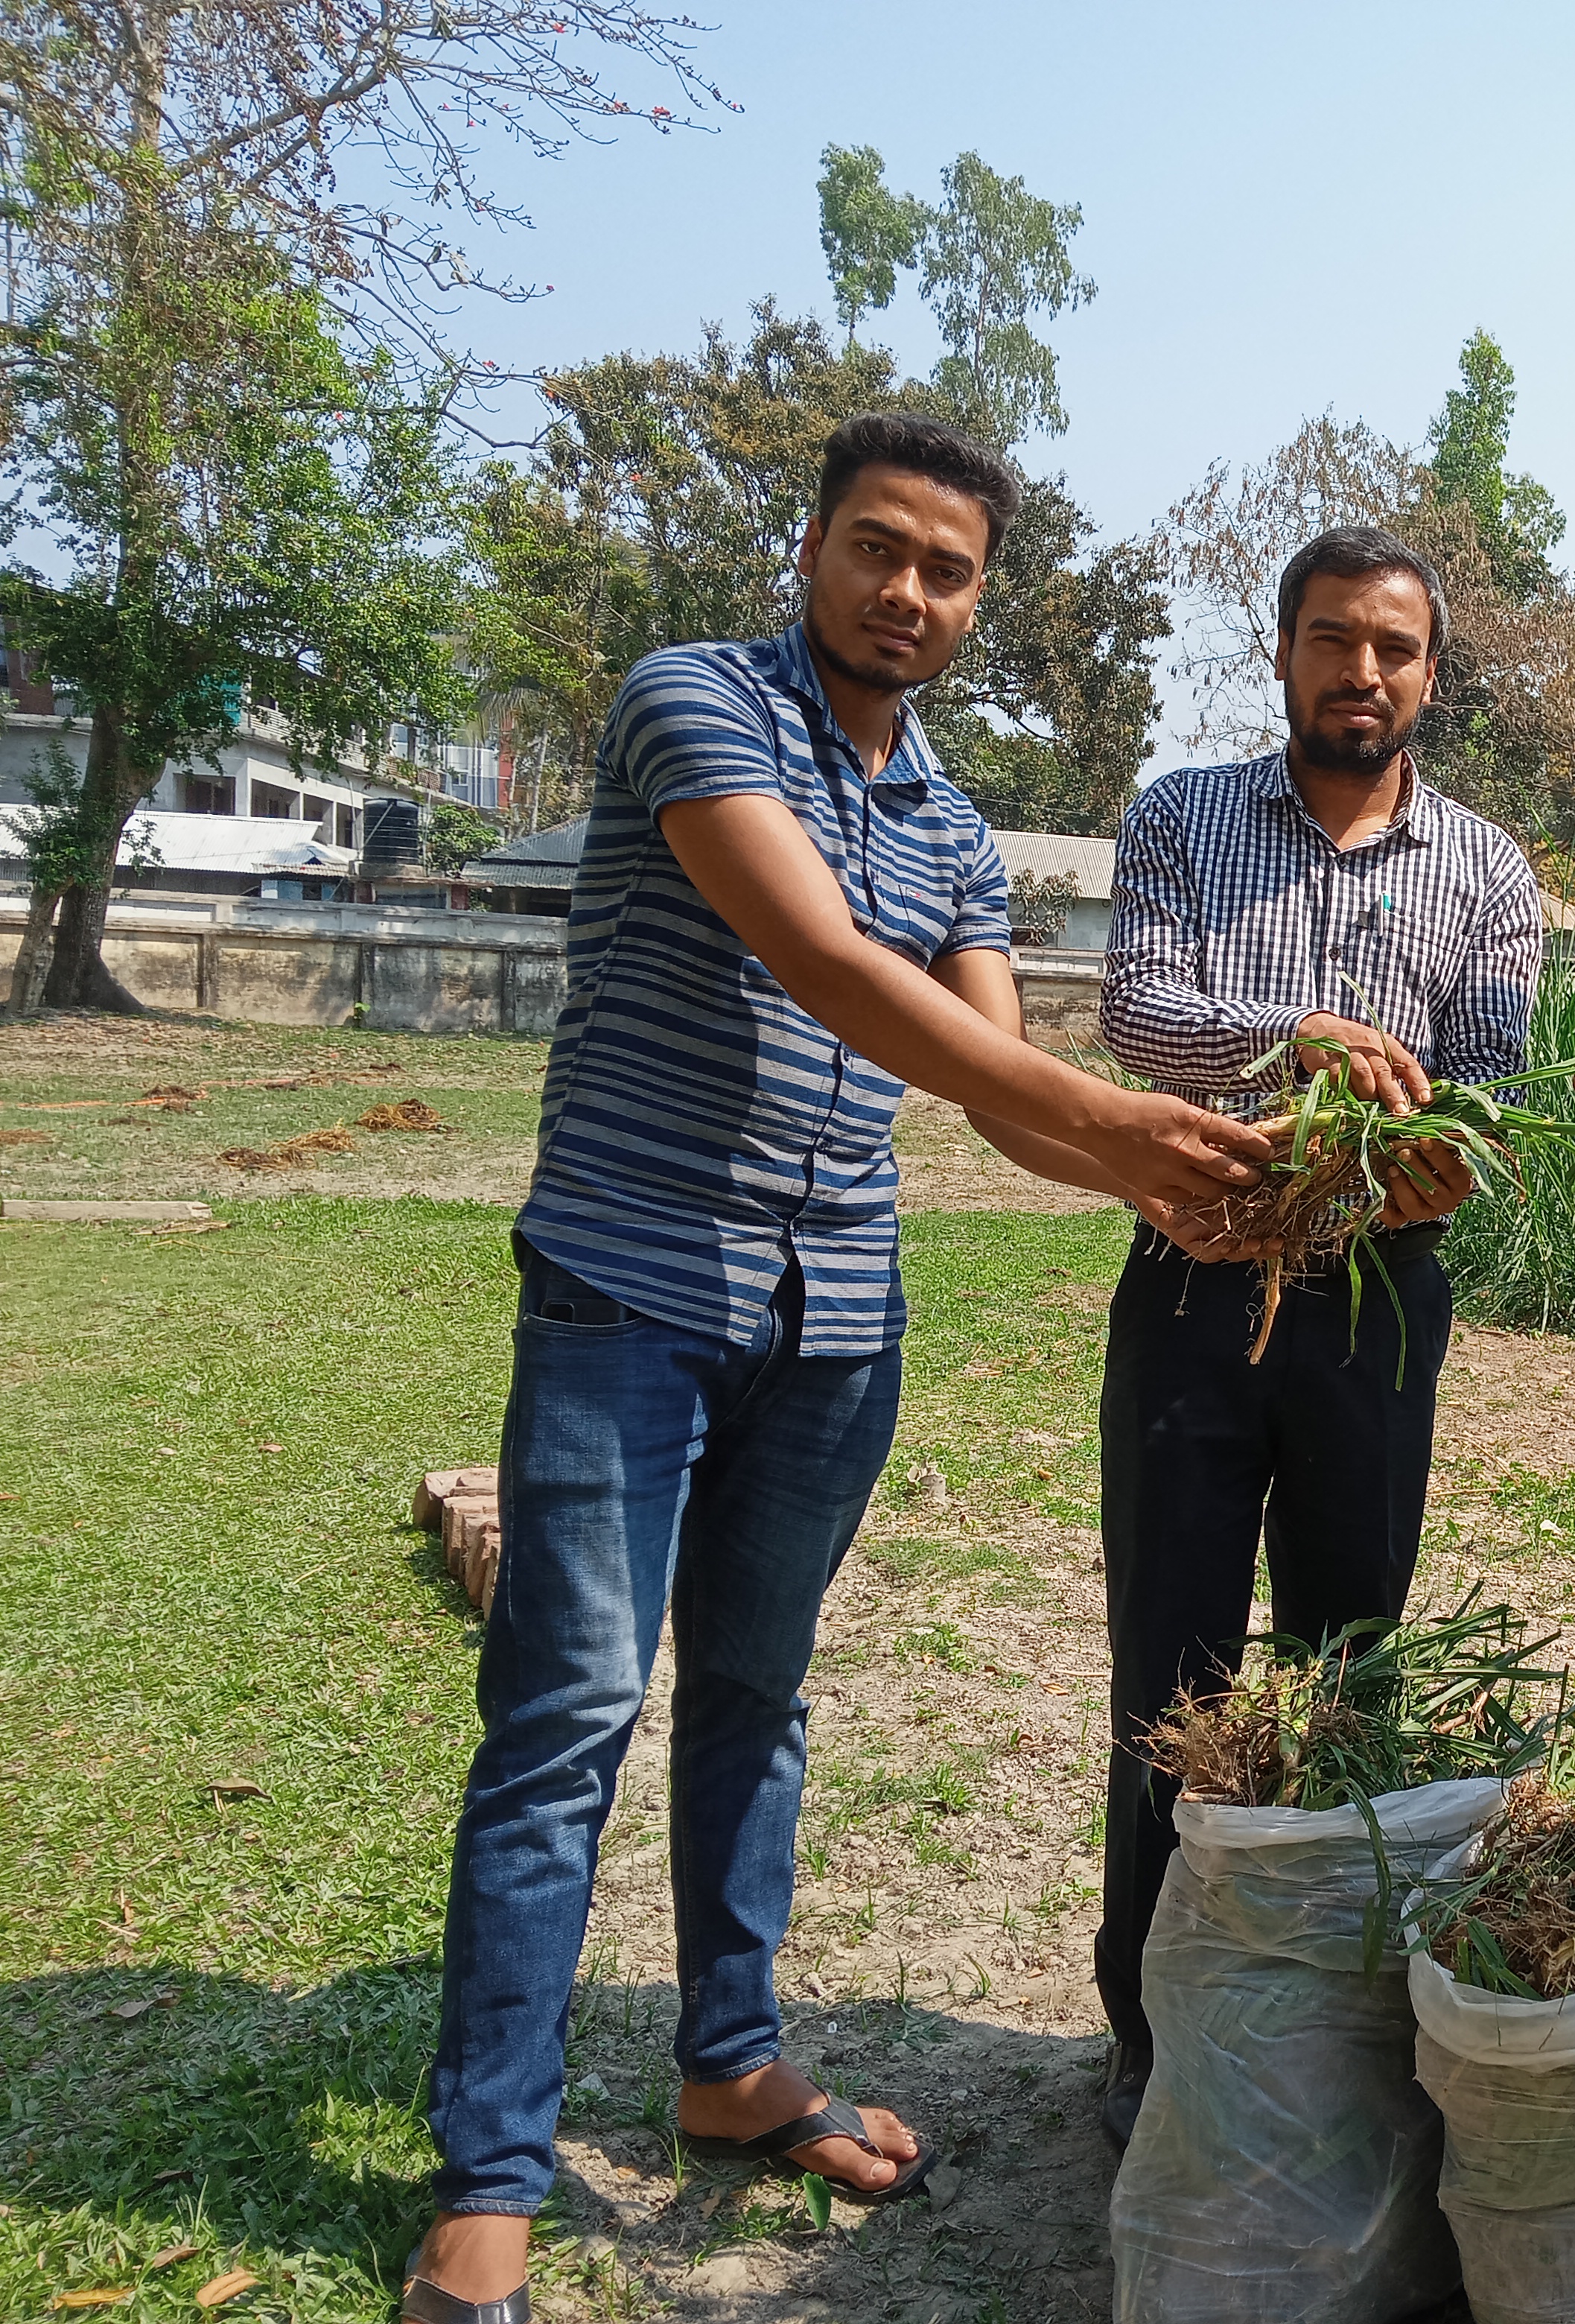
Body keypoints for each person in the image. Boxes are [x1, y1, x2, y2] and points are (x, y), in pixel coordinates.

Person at [405, 414, 1270, 2324]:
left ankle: (729, 2064)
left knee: (756, 1697)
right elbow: (825, 966)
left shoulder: (949, 822)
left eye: (947, 570)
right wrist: (1124, 1122)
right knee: (566, 1722)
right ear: (808, 549)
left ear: (978, 602)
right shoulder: (692, 705)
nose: (907, 592)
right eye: (877, 547)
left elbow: (995, 1090)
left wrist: (1179, 1187)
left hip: (834, 1322)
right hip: (630, 1292)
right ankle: (489, 2174)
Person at [1089, 524, 1543, 2146]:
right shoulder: (1183, 817)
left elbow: (1487, 1084)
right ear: (1281, 651)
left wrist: (1446, 1148)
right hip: (1195, 1282)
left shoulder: (1488, 870)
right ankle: (1152, 2032)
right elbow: (1134, 1013)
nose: (1363, 671)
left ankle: (1325, 2016)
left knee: (1353, 1659)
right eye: (1334, 639)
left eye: (1393, 648)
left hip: (1376, 1302)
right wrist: (1298, 1040)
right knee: (1171, 1667)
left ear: (1431, 671)